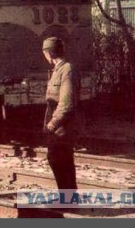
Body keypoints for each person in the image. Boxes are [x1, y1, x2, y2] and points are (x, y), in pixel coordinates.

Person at [42, 36, 79, 190]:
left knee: (60, 159)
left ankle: (68, 199)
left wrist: (53, 123)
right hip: (56, 118)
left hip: (62, 123)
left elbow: (66, 102)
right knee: (57, 159)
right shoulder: (58, 69)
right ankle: (67, 197)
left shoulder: (67, 69)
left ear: (49, 53)